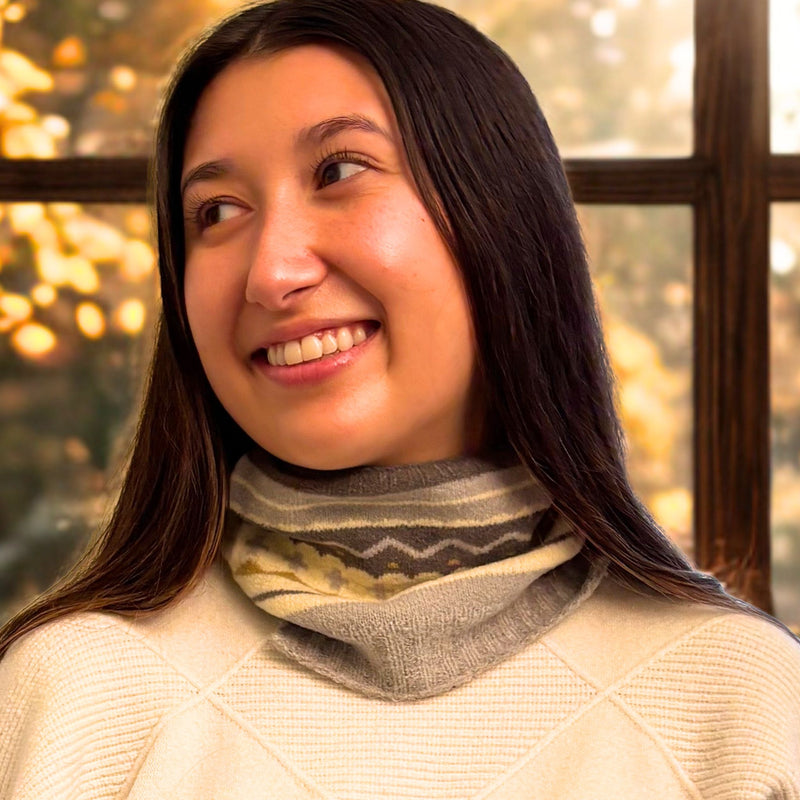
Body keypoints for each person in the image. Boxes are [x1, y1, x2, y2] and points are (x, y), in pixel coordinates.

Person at [1, 0, 799, 797]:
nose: (270, 272)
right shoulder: (68, 699)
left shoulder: (740, 705)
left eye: (340, 171)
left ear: (502, 218)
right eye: (217, 212)